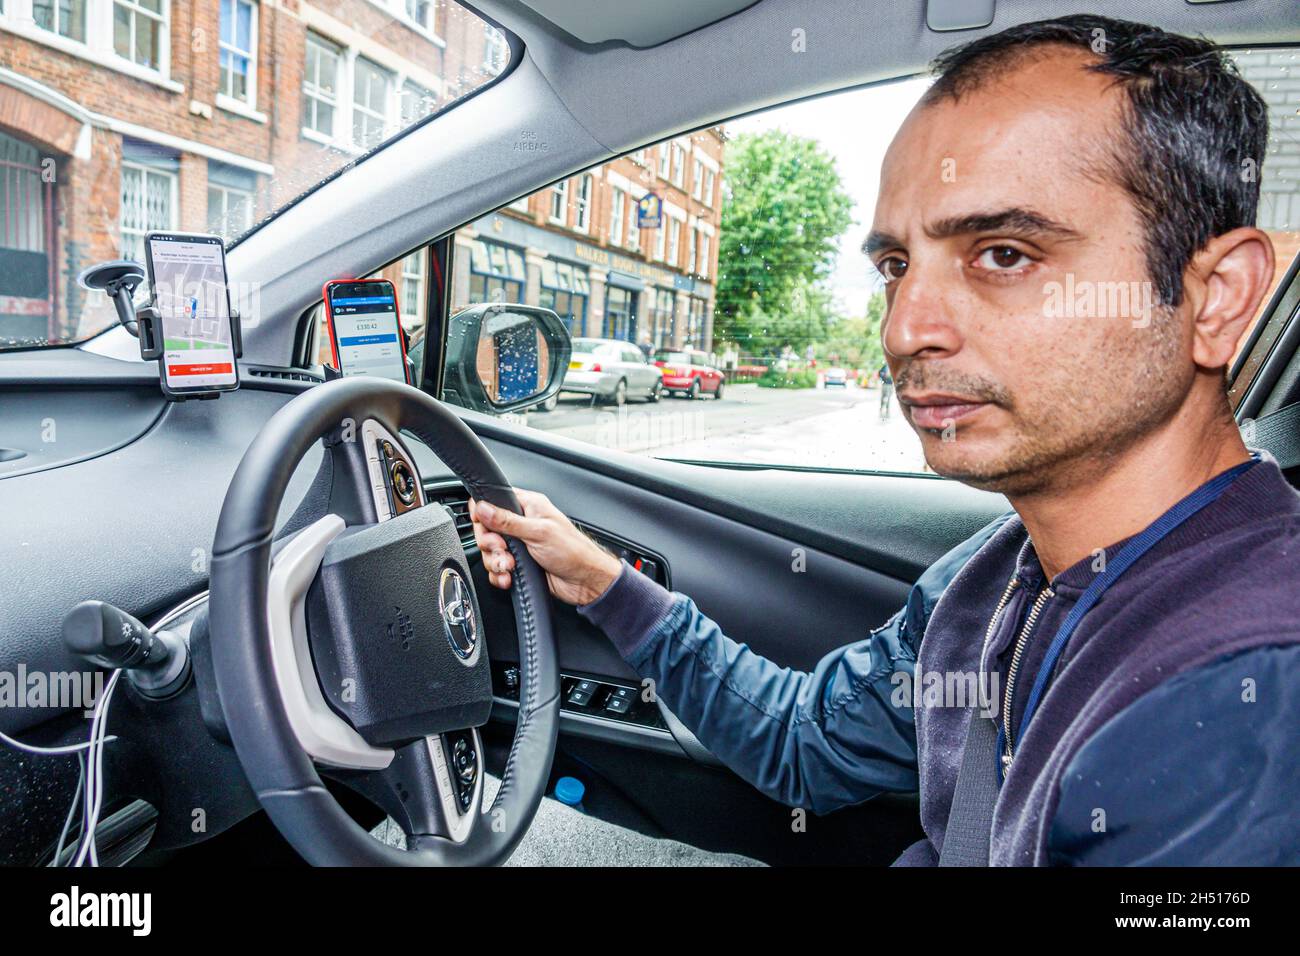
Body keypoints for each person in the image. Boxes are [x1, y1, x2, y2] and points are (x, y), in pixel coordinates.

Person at [470, 14, 1300, 865]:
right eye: (898, 266)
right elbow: (803, 745)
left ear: (1218, 299)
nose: (905, 329)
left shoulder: (1246, 704)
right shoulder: (993, 575)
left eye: (1004, 254)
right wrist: (604, 582)